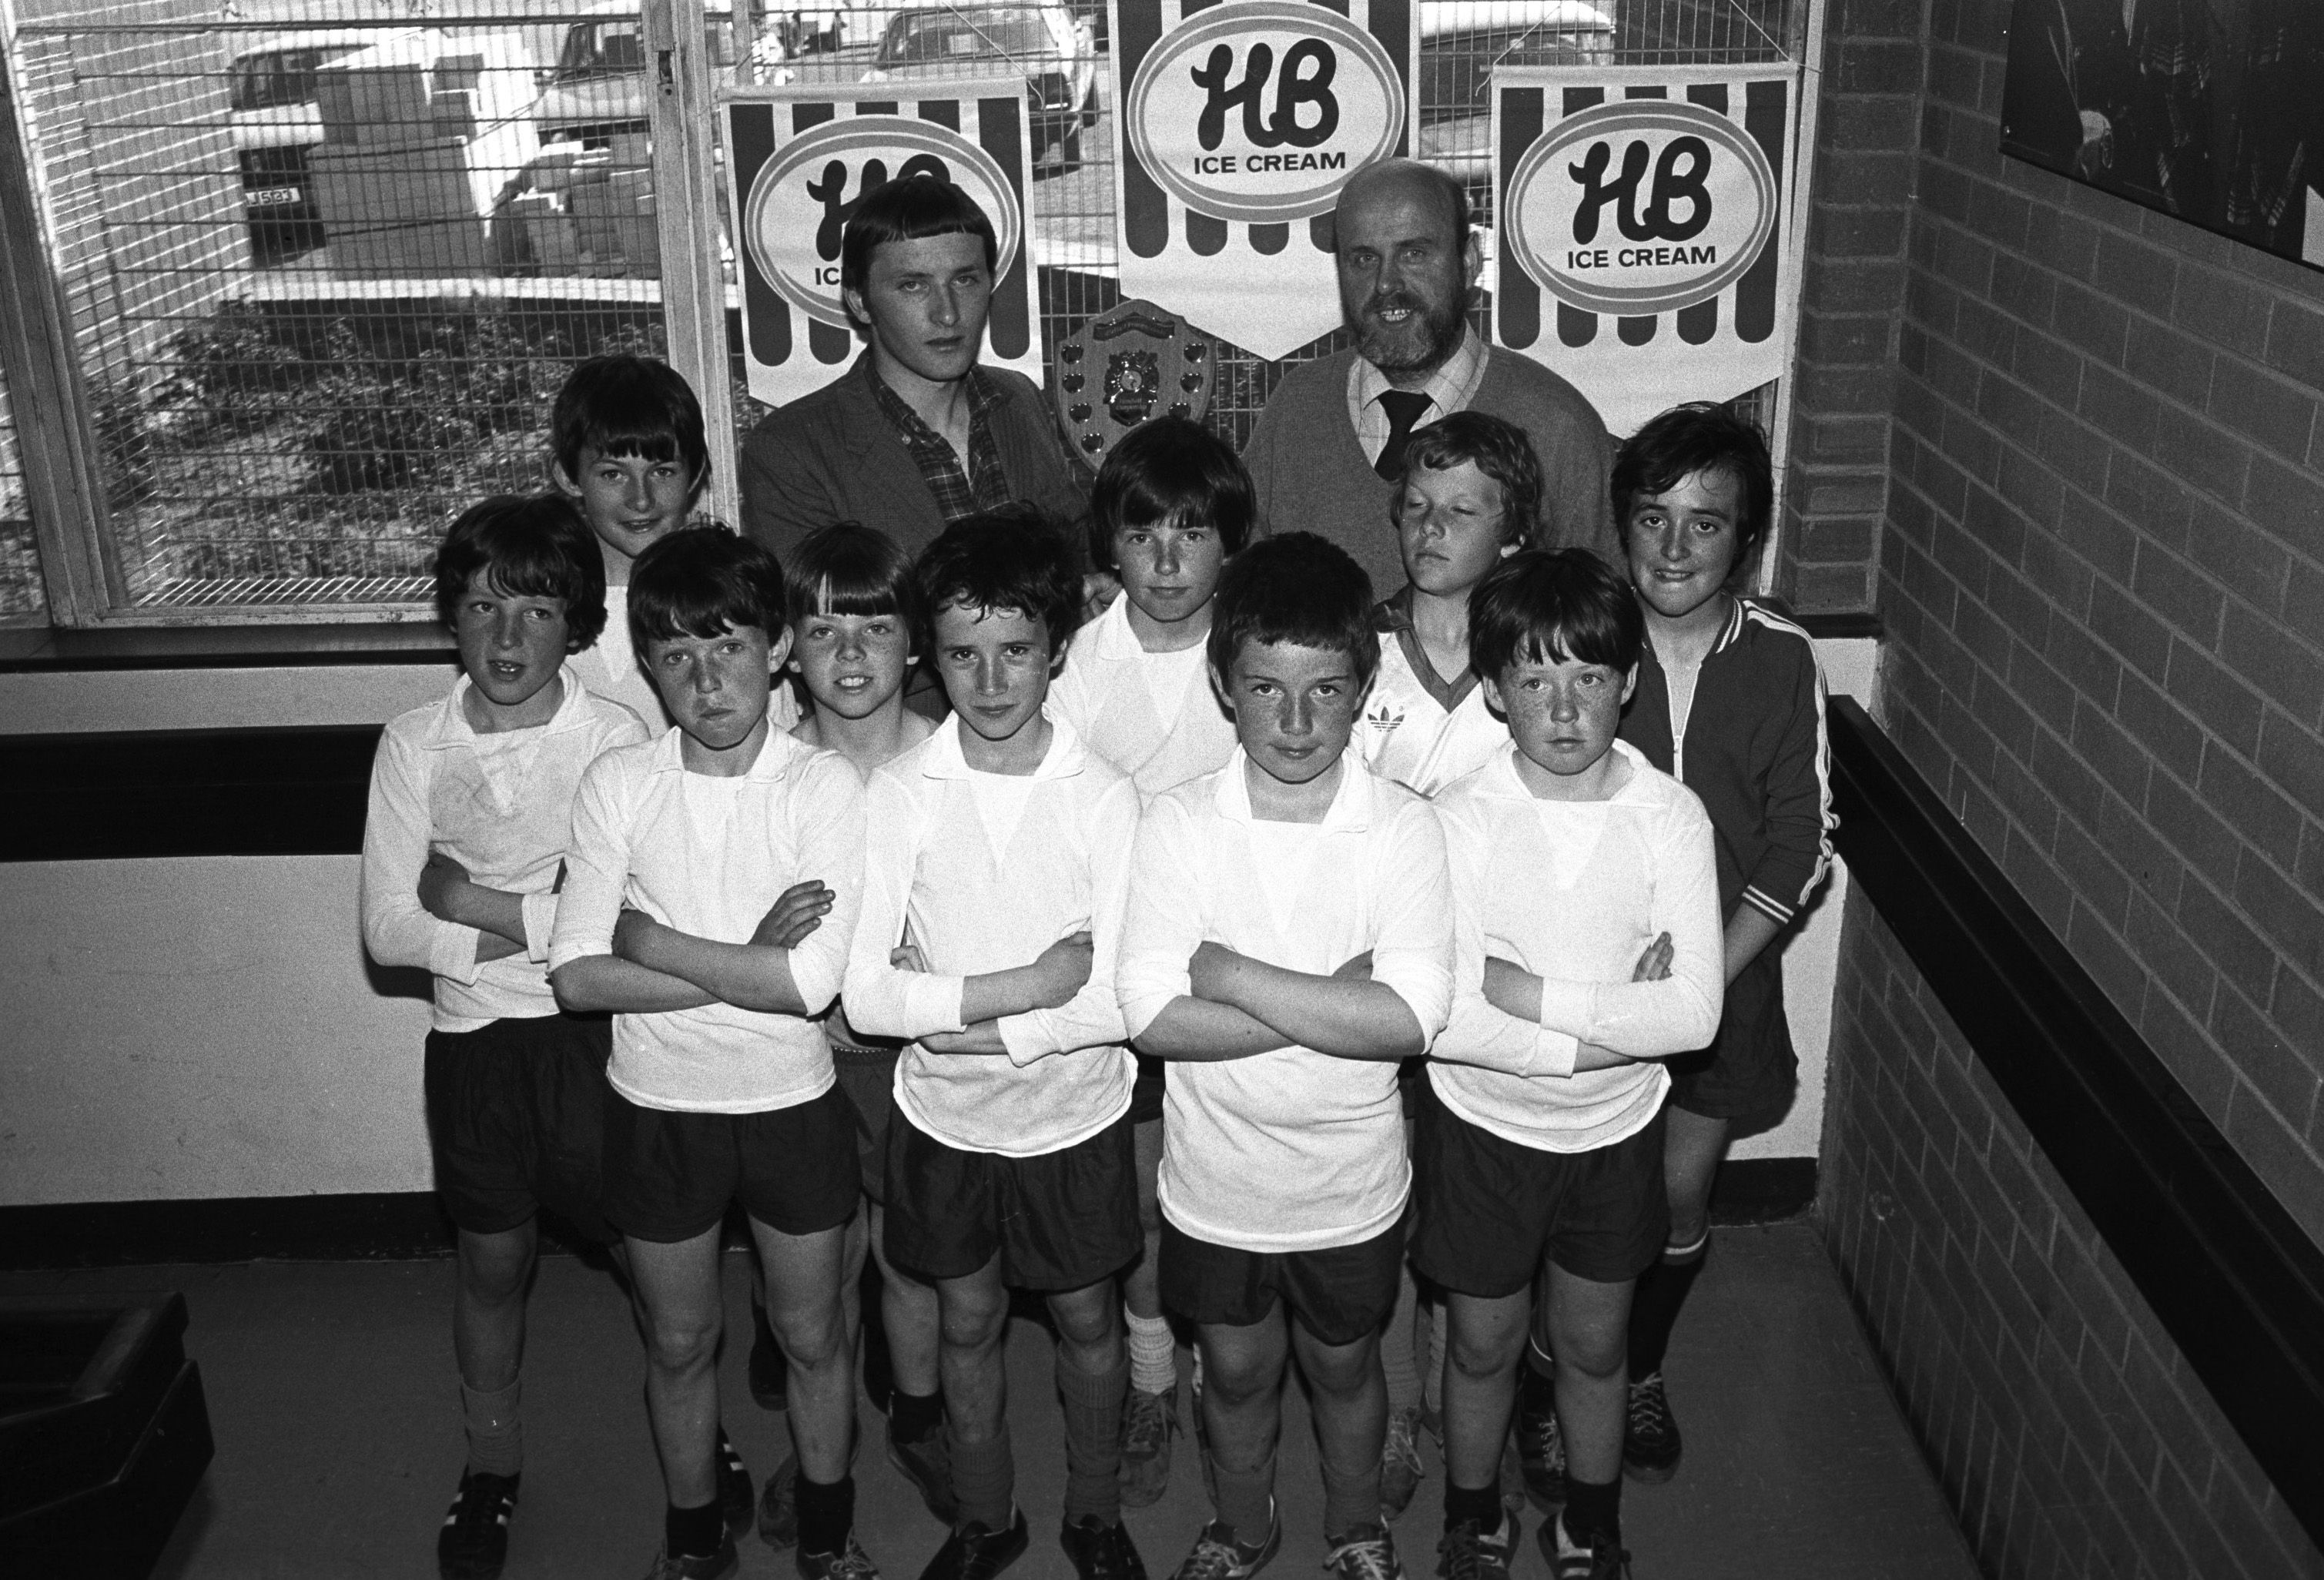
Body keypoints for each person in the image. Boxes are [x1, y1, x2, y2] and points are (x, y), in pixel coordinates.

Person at [1117, 533, 1455, 1580]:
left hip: (1348, 1189)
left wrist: (1223, 970)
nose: (1297, 721)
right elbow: (1147, 1017)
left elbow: (1410, 1020)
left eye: (1325, 691)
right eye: (1266, 688)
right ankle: (1242, 1526)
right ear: (1224, 686)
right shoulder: (1176, 823)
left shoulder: (1401, 829)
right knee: (1233, 1372)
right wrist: (1335, 997)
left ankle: (1355, 1526)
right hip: (1214, 1188)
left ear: (1363, 690)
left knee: (1348, 1369)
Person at [548, 528, 873, 1580]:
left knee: (815, 1338)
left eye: (728, 646)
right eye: (676, 656)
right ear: (647, 665)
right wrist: (740, 957)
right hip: (656, 1105)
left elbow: (810, 985)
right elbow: (575, 978)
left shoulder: (820, 786)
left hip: (790, 1102)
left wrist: (650, 940)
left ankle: (826, 1543)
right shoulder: (619, 784)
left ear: (779, 650)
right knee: (679, 1345)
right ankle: (691, 1545)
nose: (706, 678)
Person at [841, 507, 1146, 1580]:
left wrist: (965, 1025)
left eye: (1016, 650)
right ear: (930, 652)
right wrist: (1028, 995)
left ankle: (1096, 1515)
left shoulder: (1104, 797)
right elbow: (866, 999)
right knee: (965, 1324)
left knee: (1086, 1321)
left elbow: (1116, 1002)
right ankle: (986, 1517)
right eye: (963, 654)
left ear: (1056, 648)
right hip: (946, 1125)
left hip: (1076, 1118)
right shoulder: (899, 791)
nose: (990, 678)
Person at [361, 494, 651, 1580]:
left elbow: (621, 921)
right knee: (493, 1259)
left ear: (574, 620)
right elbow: (390, 928)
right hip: (475, 1045)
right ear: (452, 619)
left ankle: (689, 1425)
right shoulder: (412, 743)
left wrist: (474, 904)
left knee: (642, 1250)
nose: (507, 637)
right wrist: (539, 934)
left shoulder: (613, 736)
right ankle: (490, 1464)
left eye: (534, 608)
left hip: (593, 1039)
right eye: (482, 607)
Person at [1420, 547, 1723, 1580]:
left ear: (1627, 681)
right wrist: (1606, 1025)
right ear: (1496, 691)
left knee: (1595, 1351)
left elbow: (1689, 1016)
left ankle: (1588, 1528)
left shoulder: (1669, 818)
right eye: (1535, 680)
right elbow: (1446, 1019)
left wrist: (1533, 997)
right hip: (1482, 1131)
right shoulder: (1457, 819)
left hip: (1615, 1135)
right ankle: (1472, 1519)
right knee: (1480, 1347)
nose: (1562, 708)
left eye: (1587, 677)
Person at [1586, 403, 1832, 1490]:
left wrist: (1702, 978)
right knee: (1584, 1204)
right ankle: (1565, 1377)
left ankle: (1637, 1366)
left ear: (1747, 539)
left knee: (1675, 1198)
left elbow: (1799, 842)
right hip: (1581, 985)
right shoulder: (1577, 639)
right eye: (1651, 517)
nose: (1673, 548)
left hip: (1724, 984)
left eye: (1704, 523)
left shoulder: (1780, 657)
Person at [1049, 416, 1252, 1508]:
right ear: (1108, 549)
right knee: (1131, 1204)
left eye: (1193, 531)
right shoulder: (1082, 659)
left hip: (1235, 970)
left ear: (1230, 545)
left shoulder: (1256, 650)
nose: (1168, 561)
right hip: (1118, 977)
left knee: (1222, 1192)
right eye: (1142, 535)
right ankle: (1145, 1380)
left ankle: (1245, 1390)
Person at [753, 523, 953, 1552]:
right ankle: (818, 1440)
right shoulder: (771, 767)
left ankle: (918, 1418)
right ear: (786, 645)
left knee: (913, 1259)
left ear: (913, 638)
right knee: (821, 1274)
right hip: (808, 1063)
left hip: (917, 1062)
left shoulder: (953, 755)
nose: (849, 653)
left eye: (873, 625)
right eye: (821, 627)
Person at [1240, 159, 1618, 595]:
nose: (1386, 284)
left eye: (1414, 254)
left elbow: (1604, 626)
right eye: (1363, 259)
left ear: (1470, 261)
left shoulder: (1556, 424)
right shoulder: (1297, 408)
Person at [738, 176, 1090, 570]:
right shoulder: (791, 450)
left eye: (964, 279)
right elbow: (821, 619)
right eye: (912, 286)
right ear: (860, 302)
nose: (947, 313)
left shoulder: (1018, 399)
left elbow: (1075, 551)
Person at [551, 354, 797, 733]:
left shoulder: (736, 601)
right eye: (613, 474)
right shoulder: (543, 612)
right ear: (569, 476)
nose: (641, 499)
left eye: (662, 471)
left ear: (695, 473)